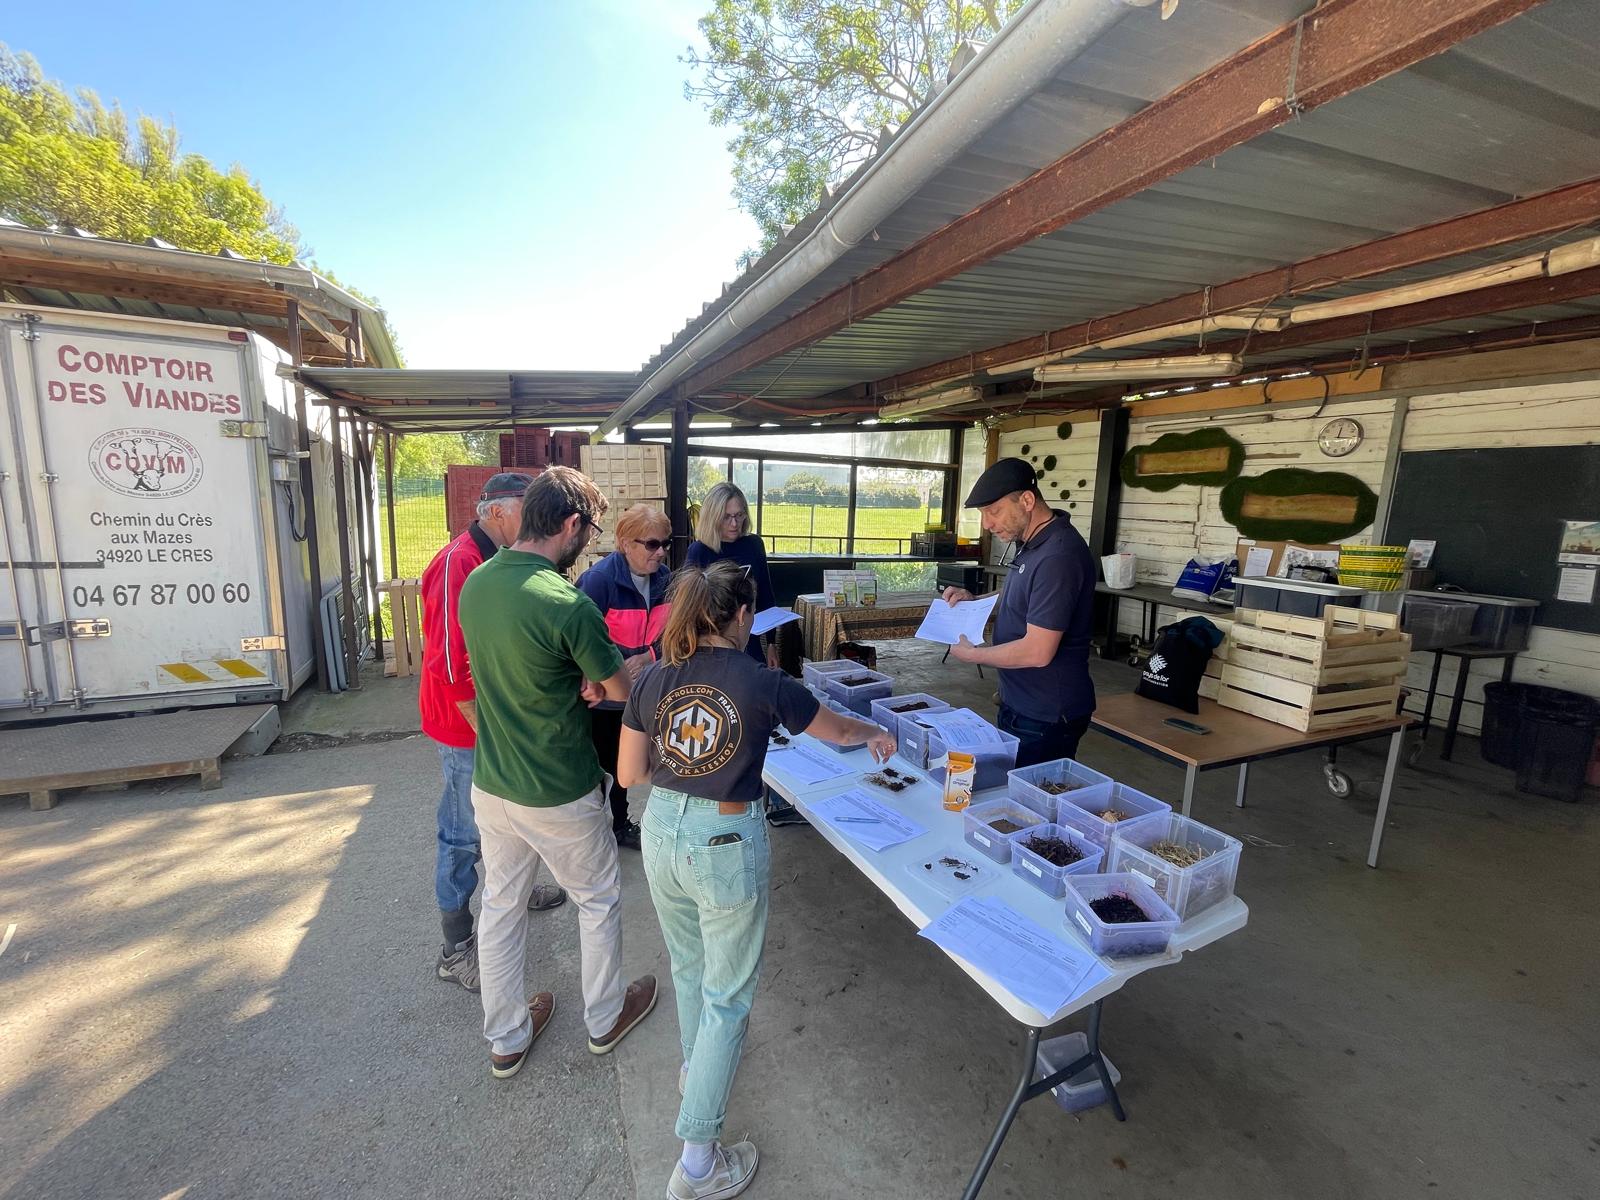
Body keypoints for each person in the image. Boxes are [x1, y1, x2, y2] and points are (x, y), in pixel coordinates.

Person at [617, 561, 894, 1200]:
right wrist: (877, 732)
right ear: (742, 617)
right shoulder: (766, 682)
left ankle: (697, 1068)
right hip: (723, 837)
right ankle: (697, 1161)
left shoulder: (654, 677)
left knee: (691, 969)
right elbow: (840, 730)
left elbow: (629, 773)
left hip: (660, 828)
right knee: (730, 995)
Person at [457, 466, 658, 1080]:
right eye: (590, 532)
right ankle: (603, 1019)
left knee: (500, 907)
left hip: (493, 783)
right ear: (570, 524)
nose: (588, 545)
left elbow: (510, 668)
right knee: (596, 901)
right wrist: (602, 679)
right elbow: (621, 688)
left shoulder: (478, 584)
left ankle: (507, 1037)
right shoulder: (567, 603)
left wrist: (573, 682)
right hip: (560, 788)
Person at [417, 472, 566, 992]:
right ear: (497, 511)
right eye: (531, 510)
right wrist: (488, 730)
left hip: (489, 719)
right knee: (461, 832)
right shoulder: (461, 562)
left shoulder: (496, 558)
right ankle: (455, 948)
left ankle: (518, 891)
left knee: (508, 815)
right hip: (466, 726)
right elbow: (451, 663)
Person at [940, 457, 1097, 768]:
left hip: (1046, 712)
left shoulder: (1058, 555)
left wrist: (974, 655)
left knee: (1029, 805)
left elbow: (1038, 652)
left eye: (993, 511)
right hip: (1022, 701)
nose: (987, 523)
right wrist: (975, 599)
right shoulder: (1035, 542)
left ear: (1026, 500)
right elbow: (1023, 594)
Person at [576, 503, 674, 850]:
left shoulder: (666, 580)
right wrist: (613, 666)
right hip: (602, 697)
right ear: (624, 543)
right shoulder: (598, 581)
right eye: (651, 544)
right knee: (600, 767)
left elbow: (674, 633)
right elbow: (579, 637)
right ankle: (593, 833)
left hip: (642, 692)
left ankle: (619, 825)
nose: (661, 552)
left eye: (665, 543)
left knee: (626, 766)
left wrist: (649, 656)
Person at [684, 482, 779, 668]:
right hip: (711, 646)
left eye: (739, 515)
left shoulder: (754, 544)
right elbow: (688, 607)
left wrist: (771, 644)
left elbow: (766, 596)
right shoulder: (699, 550)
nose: (734, 524)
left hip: (749, 640)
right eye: (726, 517)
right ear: (713, 517)